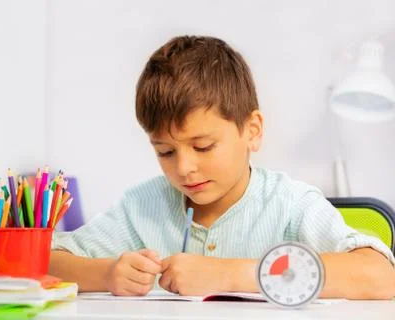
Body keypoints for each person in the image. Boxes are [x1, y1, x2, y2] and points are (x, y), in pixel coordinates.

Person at [49, 35, 395, 299]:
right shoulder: (143, 206)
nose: (184, 168)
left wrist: (232, 275)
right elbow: (47, 262)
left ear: (252, 131)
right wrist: (107, 274)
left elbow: (381, 275)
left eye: (203, 146)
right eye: (166, 152)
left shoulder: (290, 204)